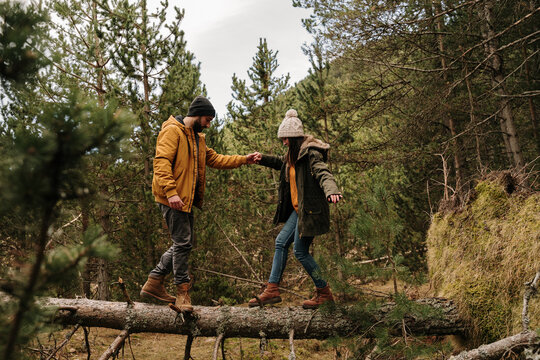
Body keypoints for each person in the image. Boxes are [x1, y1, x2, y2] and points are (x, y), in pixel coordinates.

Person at [140, 95, 259, 312]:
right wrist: (171, 192)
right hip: (172, 198)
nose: (208, 124)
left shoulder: (197, 139)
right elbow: (161, 162)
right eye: (207, 119)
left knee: (183, 243)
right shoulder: (172, 130)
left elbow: (215, 159)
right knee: (183, 244)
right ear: (196, 115)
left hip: (184, 200)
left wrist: (244, 159)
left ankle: (154, 282)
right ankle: (182, 293)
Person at [249, 109, 342, 309]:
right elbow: (281, 164)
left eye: (285, 139)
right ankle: (272, 289)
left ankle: (324, 292)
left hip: (309, 212)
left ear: (295, 138)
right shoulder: (292, 156)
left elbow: (323, 172)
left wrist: (331, 190)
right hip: (298, 211)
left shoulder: (310, 154)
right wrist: (262, 158)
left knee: (300, 251)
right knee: (281, 242)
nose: (283, 142)